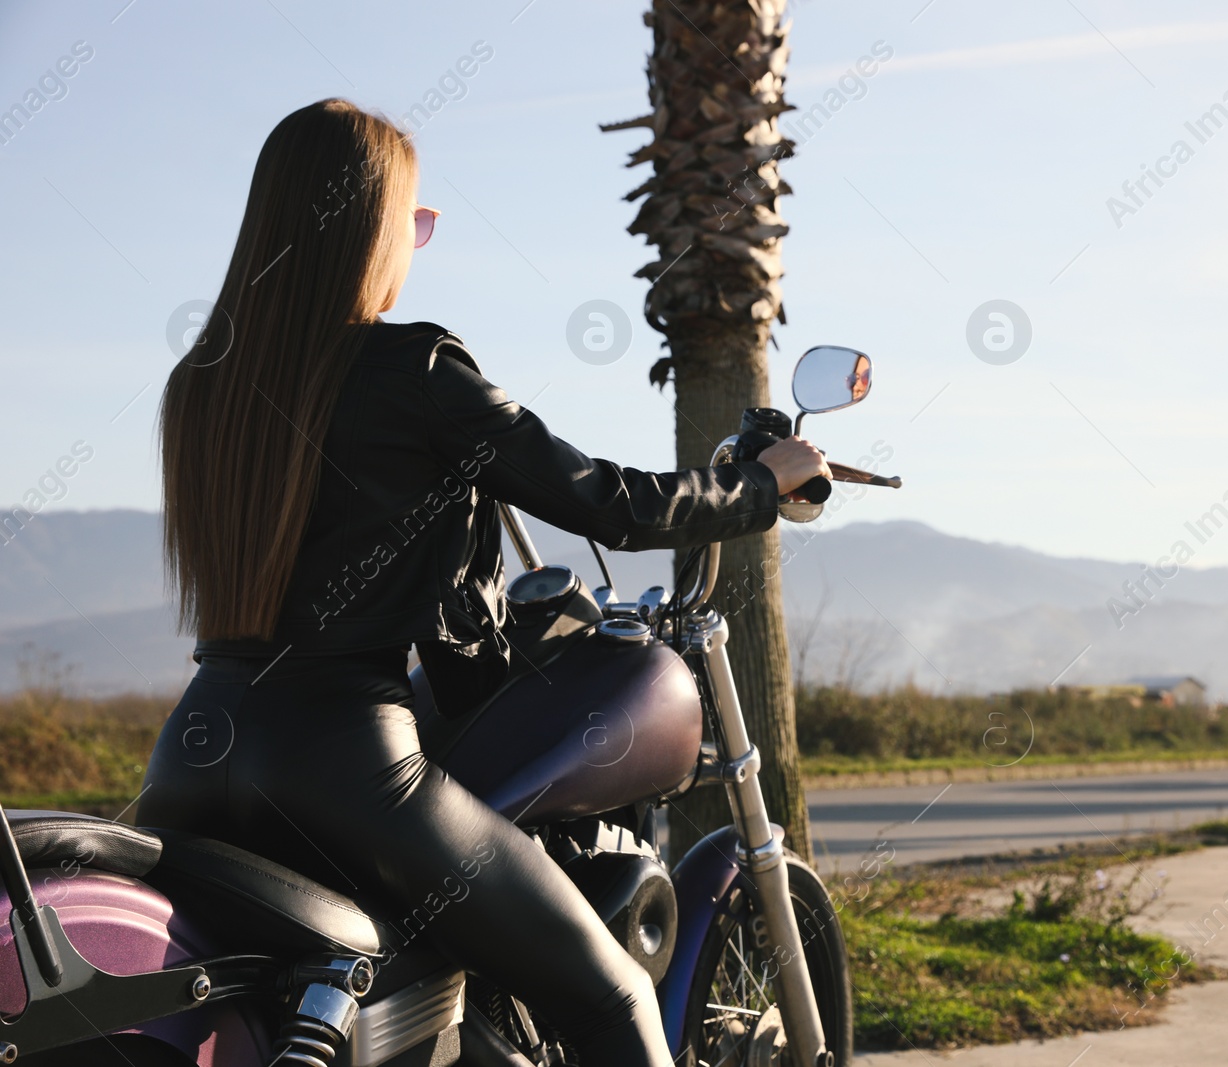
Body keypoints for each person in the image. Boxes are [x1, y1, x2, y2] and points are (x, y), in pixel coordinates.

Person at [136, 98, 829, 1067]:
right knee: (616, 993)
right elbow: (606, 501)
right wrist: (760, 484)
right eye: (413, 219)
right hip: (347, 762)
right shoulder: (411, 366)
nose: (418, 241)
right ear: (365, 225)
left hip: (193, 755)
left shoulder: (199, 384)